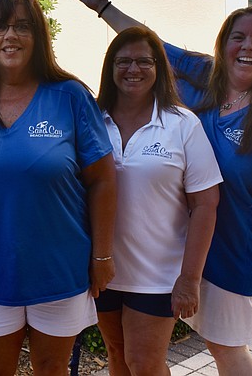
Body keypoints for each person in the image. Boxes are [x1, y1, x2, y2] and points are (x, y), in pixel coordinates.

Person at [74, 0, 252, 375]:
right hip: (189, 248)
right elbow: (151, 48)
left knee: (226, 348)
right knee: (133, 353)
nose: (247, 47)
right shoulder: (206, 78)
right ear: (224, 44)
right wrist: (104, 8)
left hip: (235, 249)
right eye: (238, 37)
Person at [0, 0, 117, 376]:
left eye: (22, 27)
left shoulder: (70, 96)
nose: (10, 36)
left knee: (51, 369)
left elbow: (103, 180)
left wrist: (102, 257)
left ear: (38, 37)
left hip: (60, 272)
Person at [92, 27, 222, 375]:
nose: (133, 69)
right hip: (103, 269)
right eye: (123, 61)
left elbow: (206, 204)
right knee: (117, 355)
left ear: (158, 68)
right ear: (110, 67)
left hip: (159, 275)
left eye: (143, 61)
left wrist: (189, 278)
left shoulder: (182, 125)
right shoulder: (92, 120)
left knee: (144, 363)